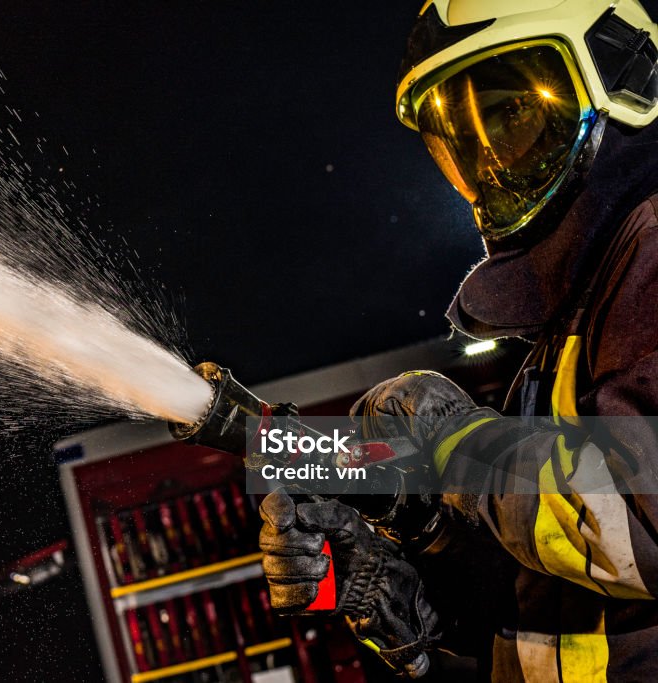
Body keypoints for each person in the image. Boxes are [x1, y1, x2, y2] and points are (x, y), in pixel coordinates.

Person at [259, 1, 658, 680]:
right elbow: (566, 610)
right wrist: (418, 582)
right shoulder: (570, 321)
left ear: (622, 73)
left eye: (515, 116)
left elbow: (636, 523)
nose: (496, 166)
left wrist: (451, 444)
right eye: (467, 139)